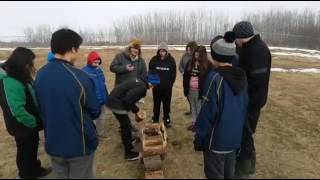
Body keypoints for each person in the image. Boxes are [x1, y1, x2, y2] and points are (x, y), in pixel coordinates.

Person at [34, 29, 101, 179]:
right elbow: (95, 110)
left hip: (53, 142)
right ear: (72, 49)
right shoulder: (80, 77)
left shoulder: (40, 74)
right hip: (79, 145)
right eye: (77, 49)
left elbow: (39, 105)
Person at [194, 32, 248, 179]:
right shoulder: (242, 77)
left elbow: (208, 112)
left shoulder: (215, 78)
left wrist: (199, 137)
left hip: (216, 142)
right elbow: (244, 110)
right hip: (234, 141)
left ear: (215, 56)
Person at [0, 47, 52, 179]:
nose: (31, 66)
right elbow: (17, 109)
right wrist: (33, 122)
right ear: (22, 62)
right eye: (30, 63)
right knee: (25, 148)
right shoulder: (10, 81)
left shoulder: (18, 74)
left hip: (27, 123)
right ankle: (26, 174)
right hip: (21, 124)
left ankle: (35, 168)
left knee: (32, 144)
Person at [232, 21, 272, 178]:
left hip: (251, 102)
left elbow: (256, 82)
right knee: (245, 134)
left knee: (245, 135)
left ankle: (243, 170)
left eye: (236, 39)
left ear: (242, 38)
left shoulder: (258, 51)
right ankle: (248, 166)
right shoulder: (248, 48)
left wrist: (237, 87)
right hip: (247, 100)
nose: (235, 43)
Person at [106, 75, 154, 161]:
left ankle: (129, 140)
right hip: (116, 104)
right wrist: (136, 111)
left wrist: (135, 110)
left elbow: (128, 97)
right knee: (126, 127)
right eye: (153, 85)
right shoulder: (142, 87)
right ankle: (129, 153)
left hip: (112, 100)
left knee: (125, 124)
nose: (152, 87)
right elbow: (128, 101)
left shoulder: (138, 80)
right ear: (150, 83)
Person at [183, 45, 212, 131]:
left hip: (201, 91)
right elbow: (185, 77)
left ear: (203, 55)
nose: (196, 57)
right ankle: (194, 123)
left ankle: (200, 125)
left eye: (198, 56)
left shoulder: (208, 65)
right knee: (193, 107)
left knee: (200, 108)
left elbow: (209, 79)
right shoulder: (190, 63)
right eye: (195, 55)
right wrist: (185, 90)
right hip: (191, 90)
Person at [149, 42, 176, 128]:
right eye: (160, 51)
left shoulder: (171, 60)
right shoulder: (154, 59)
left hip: (167, 88)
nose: (162, 53)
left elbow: (173, 74)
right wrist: (153, 83)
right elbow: (151, 71)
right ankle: (155, 118)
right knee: (156, 103)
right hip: (156, 88)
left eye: (164, 51)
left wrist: (170, 84)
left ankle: (166, 119)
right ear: (158, 51)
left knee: (166, 104)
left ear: (166, 51)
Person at [82, 51, 109, 138]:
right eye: (95, 62)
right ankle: (92, 135)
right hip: (93, 101)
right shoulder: (84, 72)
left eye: (98, 63)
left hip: (102, 100)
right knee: (92, 119)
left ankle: (100, 134)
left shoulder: (99, 71)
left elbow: (103, 83)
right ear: (89, 61)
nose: (97, 64)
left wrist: (106, 97)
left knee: (102, 118)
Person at [179, 41, 198, 116]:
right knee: (188, 95)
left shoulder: (197, 57)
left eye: (190, 50)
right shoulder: (184, 56)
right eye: (187, 50)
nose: (188, 51)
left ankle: (196, 111)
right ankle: (191, 109)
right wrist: (183, 72)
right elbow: (180, 66)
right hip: (186, 80)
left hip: (195, 81)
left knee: (195, 97)